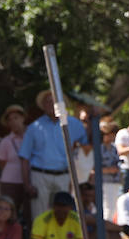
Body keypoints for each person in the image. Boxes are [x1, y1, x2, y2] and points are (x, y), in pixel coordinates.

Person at [19, 90, 86, 220]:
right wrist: (27, 184)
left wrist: (76, 180)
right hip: (40, 176)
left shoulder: (75, 125)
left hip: (64, 176)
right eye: (47, 102)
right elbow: (24, 158)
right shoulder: (34, 127)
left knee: (64, 214)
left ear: (62, 104)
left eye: (53, 101)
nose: (50, 104)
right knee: (40, 216)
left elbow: (85, 152)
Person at [0, 104, 29, 221]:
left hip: (29, 181)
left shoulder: (31, 137)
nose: (13, 122)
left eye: (16, 118)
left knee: (28, 213)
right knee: (9, 213)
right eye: (10, 120)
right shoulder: (6, 141)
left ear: (22, 118)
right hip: (10, 183)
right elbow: (1, 163)